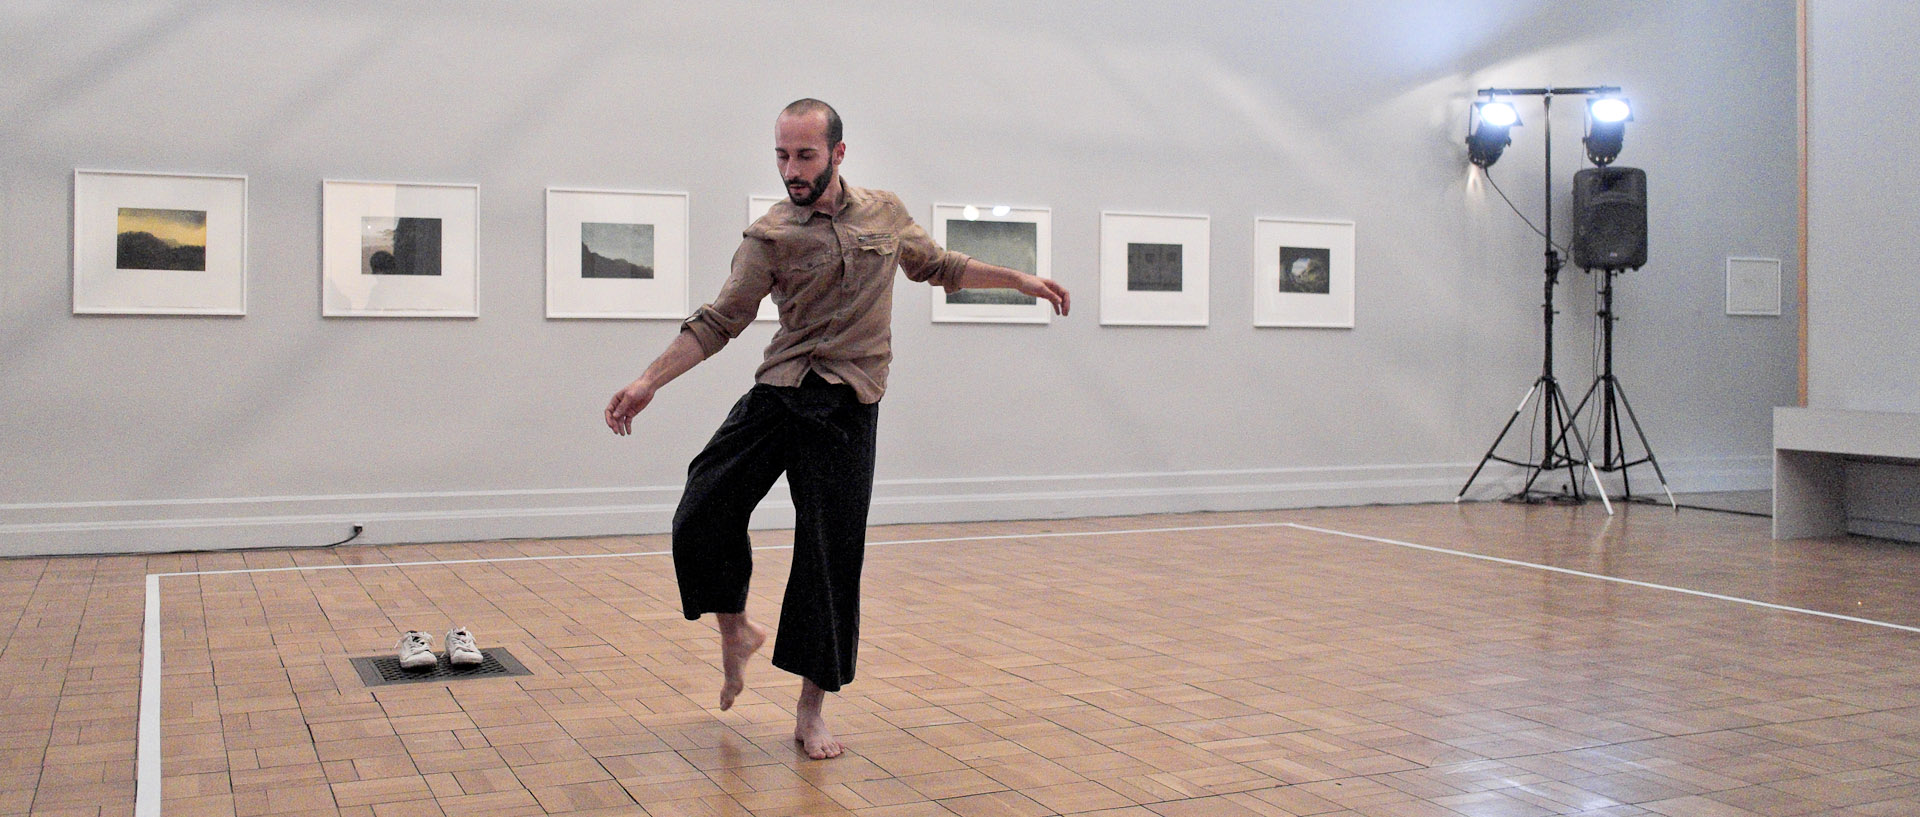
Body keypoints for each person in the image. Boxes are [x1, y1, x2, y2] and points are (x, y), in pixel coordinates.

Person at [605, 99, 1069, 759]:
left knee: (829, 560)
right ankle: (734, 629)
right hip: (781, 391)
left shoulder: (884, 214)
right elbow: (719, 320)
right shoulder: (770, 235)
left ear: (838, 154)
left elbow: (939, 265)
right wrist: (649, 379)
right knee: (702, 502)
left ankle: (809, 711)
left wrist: (1018, 279)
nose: (791, 170)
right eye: (781, 156)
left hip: (848, 404)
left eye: (804, 156)